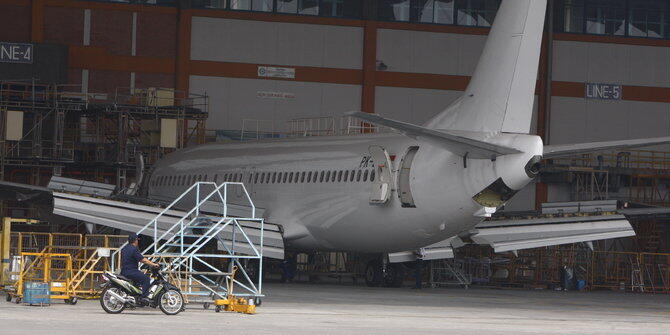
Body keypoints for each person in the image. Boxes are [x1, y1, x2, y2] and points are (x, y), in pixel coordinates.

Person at [120, 233, 159, 304]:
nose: (138, 242)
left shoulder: (125, 248)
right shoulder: (134, 249)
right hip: (131, 271)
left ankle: (134, 298)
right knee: (146, 279)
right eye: (137, 240)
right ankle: (144, 297)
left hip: (124, 270)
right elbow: (143, 259)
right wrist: (153, 264)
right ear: (135, 241)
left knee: (138, 283)